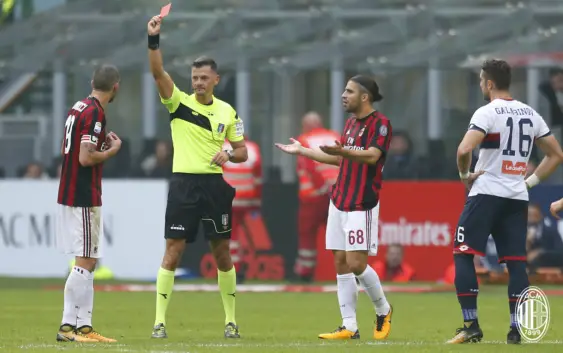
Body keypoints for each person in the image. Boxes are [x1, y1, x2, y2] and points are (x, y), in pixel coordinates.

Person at [448, 59, 563, 344]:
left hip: (486, 192)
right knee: (516, 264)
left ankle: (471, 324)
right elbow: (556, 155)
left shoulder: (487, 113)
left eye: (480, 81)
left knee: (463, 254)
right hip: (516, 197)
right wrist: (530, 182)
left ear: (488, 83)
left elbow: (464, 148)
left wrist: (464, 174)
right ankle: (516, 330)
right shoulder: (531, 114)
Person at [147, 15, 248, 339]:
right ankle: (159, 321)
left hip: (214, 186)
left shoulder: (227, 112)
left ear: (216, 80)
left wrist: (230, 154)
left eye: (204, 77)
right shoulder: (178, 103)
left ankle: (231, 321)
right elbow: (158, 72)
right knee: (173, 250)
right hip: (184, 184)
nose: (198, 82)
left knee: (221, 252)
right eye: (194, 77)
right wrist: (154, 39)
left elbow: (242, 151)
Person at [276, 75, 393, 340]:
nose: (343, 95)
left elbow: (373, 155)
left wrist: (344, 152)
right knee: (340, 262)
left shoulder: (381, 124)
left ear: (364, 97)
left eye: (349, 91)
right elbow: (340, 160)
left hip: (361, 202)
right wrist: (303, 151)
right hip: (339, 200)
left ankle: (383, 309)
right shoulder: (350, 124)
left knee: (356, 263)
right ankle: (349, 326)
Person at [55, 64, 122, 343]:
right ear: (115, 87)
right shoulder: (95, 112)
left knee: (89, 259)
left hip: (72, 190)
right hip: (83, 193)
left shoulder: (78, 106)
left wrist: (98, 150)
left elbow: (67, 148)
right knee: (84, 260)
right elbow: (85, 158)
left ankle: (84, 326)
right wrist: (112, 151)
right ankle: (68, 327)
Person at [294, 112, 340, 282]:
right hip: (337, 195)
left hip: (313, 198)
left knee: (307, 235)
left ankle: (305, 272)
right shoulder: (335, 136)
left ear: (306, 126)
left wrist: (322, 187)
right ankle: (349, 271)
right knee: (340, 235)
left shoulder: (304, 140)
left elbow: (309, 167)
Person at [222, 136, 262, 282]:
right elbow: (258, 178)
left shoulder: (221, 147)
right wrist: (257, 200)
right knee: (245, 235)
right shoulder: (253, 148)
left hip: (229, 200)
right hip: (247, 199)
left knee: (230, 236)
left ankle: (235, 268)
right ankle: (246, 265)